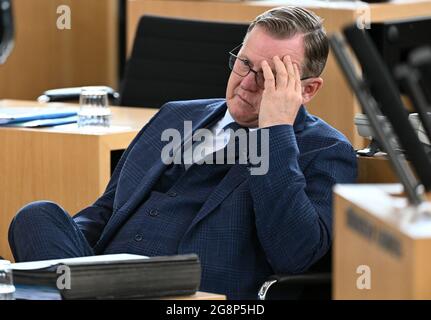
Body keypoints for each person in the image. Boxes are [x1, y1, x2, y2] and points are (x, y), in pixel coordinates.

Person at [8, 6, 357, 299]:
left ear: (306, 90)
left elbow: (293, 254)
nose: (247, 83)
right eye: (244, 63)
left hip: (190, 292)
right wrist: (57, 258)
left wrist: (275, 131)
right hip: (107, 277)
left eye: (268, 77)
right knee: (37, 216)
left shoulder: (325, 149)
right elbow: (107, 210)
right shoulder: (177, 114)